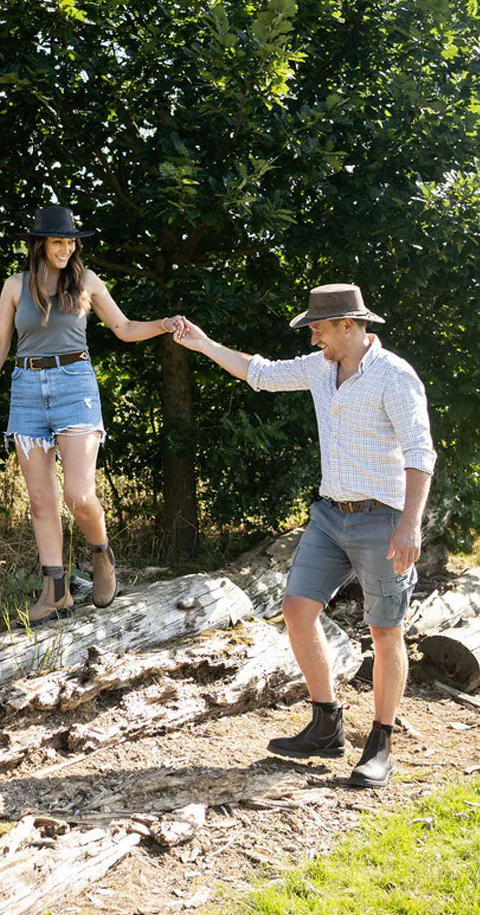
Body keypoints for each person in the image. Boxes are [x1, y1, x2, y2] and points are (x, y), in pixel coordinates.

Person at [172, 283, 434, 788]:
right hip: (329, 516)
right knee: (296, 608)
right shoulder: (320, 368)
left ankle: (380, 743)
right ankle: (325, 723)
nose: (311, 336)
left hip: (383, 519)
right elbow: (261, 374)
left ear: (349, 326)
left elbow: (421, 454)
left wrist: (410, 525)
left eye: (317, 326)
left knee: (385, 630)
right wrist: (203, 344)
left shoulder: (395, 377)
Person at [0, 205, 178, 625]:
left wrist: (163, 323)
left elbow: (123, 328)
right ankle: (55, 593)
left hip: (75, 386)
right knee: (41, 501)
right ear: (40, 244)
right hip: (28, 387)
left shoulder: (85, 281)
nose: (66, 249)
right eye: (57, 242)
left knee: (78, 496)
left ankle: (101, 554)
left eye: (70, 242)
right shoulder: (16, 286)